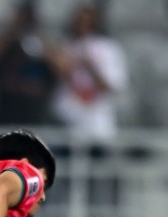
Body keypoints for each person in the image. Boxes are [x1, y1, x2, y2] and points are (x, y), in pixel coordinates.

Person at [53, 3, 128, 140]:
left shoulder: (109, 49)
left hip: (98, 121)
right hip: (68, 119)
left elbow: (113, 86)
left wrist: (91, 68)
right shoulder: (64, 47)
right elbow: (58, 78)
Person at [0, 0, 62, 126]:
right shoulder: (8, 41)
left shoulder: (43, 43)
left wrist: (41, 40)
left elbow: (61, 69)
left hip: (36, 114)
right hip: (6, 112)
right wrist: (12, 30)